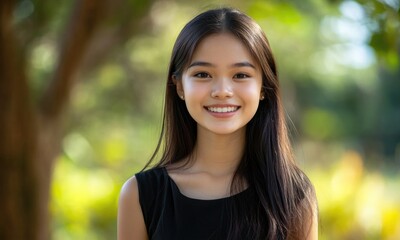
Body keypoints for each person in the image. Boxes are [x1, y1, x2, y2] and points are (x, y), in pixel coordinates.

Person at [117, 7, 318, 240]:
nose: (222, 91)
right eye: (203, 74)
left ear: (263, 86)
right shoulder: (139, 195)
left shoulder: (294, 195)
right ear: (179, 86)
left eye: (240, 75)